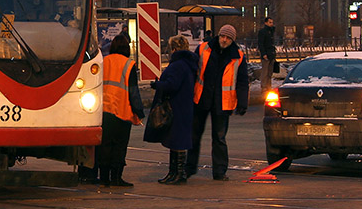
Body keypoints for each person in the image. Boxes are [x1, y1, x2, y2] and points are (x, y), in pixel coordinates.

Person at [187, 24, 250, 180]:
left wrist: (242, 103)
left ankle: (219, 171)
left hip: (223, 102)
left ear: (232, 40)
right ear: (218, 35)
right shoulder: (204, 48)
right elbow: (192, 71)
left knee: (219, 138)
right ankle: (189, 168)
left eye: (228, 38)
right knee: (194, 136)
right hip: (201, 98)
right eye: (223, 36)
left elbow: (242, 81)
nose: (224, 39)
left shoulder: (238, 56)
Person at [145, 35, 199, 184]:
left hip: (176, 106)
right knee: (177, 141)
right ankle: (175, 173)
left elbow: (172, 85)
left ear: (174, 49)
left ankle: (178, 174)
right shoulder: (188, 63)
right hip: (184, 106)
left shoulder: (178, 65)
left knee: (177, 141)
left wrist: (157, 85)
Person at [99, 32, 144, 187]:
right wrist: (139, 111)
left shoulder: (104, 61)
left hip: (104, 110)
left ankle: (103, 178)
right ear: (127, 48)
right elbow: (133, 91)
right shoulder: (129, 65)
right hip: (122, 111)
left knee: (105, 145)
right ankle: (116, 177)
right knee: (119, 146)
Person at [257, 16, 278, 93]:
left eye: (272, 22)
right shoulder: (263, 32)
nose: (271, 24)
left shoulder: (271, 31)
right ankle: (264, 87)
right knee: (265, 72)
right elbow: (261, 44)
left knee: (270, 72)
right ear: (266, 23)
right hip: (266, 54)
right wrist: (263, 53)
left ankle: (268, 86)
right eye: (270, 22)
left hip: (271, 54)